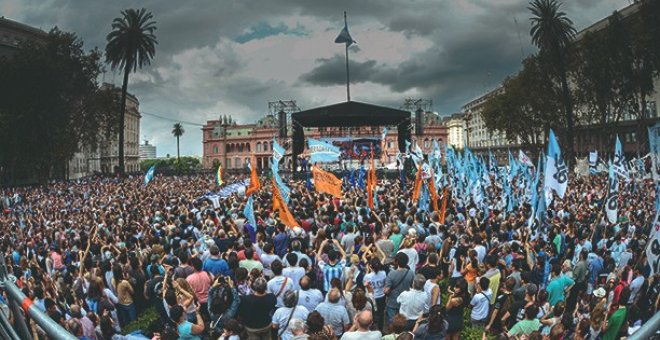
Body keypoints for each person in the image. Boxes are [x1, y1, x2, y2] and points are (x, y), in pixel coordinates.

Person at [384, 253, 414, 325]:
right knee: (403, 321)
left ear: (396, 262)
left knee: (392, 322)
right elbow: (412, 286)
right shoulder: (411, 273)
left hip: (392, 302)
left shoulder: (391, 274)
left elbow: (386, 290)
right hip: (405, 301)